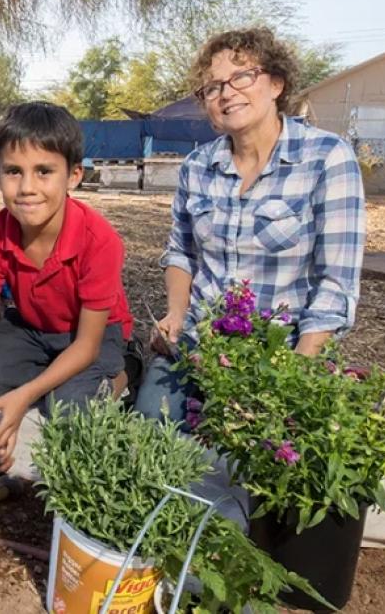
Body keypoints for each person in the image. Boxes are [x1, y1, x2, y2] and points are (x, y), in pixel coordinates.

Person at [135, 26, 365, 425]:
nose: (226, 93)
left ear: (276, 82)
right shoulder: (198, 167)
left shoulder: (326, 158)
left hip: (280, 350)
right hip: (198, 342)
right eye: (212, 87)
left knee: (243, 463)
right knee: (150, 429)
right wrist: (175, 314)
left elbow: (336, 284)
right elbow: (181, 253)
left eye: (241, 77)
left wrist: (294, 373)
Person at [0, 102, 134, 484]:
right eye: (13, 171)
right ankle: (42, 377)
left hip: (92, 333)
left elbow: (87, 346)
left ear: (73, 175)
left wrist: (25, 395)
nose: (27, 188)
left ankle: (124, 374)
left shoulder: (99, 240)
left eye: (44, 171)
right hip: (31, 327)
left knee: (67, 407)